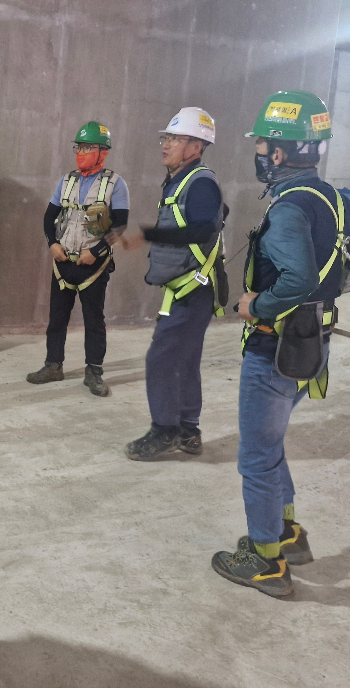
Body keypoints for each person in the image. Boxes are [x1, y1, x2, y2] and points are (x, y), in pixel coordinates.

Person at [211, 91, 350, 597]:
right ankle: (287, 533)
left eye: (262, 145)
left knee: (256, 457)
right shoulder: (333, 198)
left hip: (274, 349)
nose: (259, 152)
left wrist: (257, 305)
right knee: (270, 445)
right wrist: (325, 299)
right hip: (312, 344)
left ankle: (267, 560)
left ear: (279, 152)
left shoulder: (288, 208)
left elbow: (298, 278)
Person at [120, 107, 226, 461]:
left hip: (192, 290)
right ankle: (188, 430)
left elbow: (202, 229)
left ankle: (165, 430)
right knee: (184, 359)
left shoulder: (201, 182)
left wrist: (148, 234)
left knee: (162, 358)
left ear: (196, 146)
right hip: (187, 289)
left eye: (176, 139)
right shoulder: (184, 179)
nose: (166, 145)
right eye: (166, 138)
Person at [26, 122, 130, 397]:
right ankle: (53, 365)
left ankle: (94, 372)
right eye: (78, 148)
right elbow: (49, 217)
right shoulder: (67, 181)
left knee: (94, 320)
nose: (81, 153)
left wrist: (95, 252)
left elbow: (120, 225)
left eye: (87, 148)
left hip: (93, 265)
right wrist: (52, 244)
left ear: (103, 151)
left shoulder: (116, 184)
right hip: (63, 262)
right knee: (56, 318)